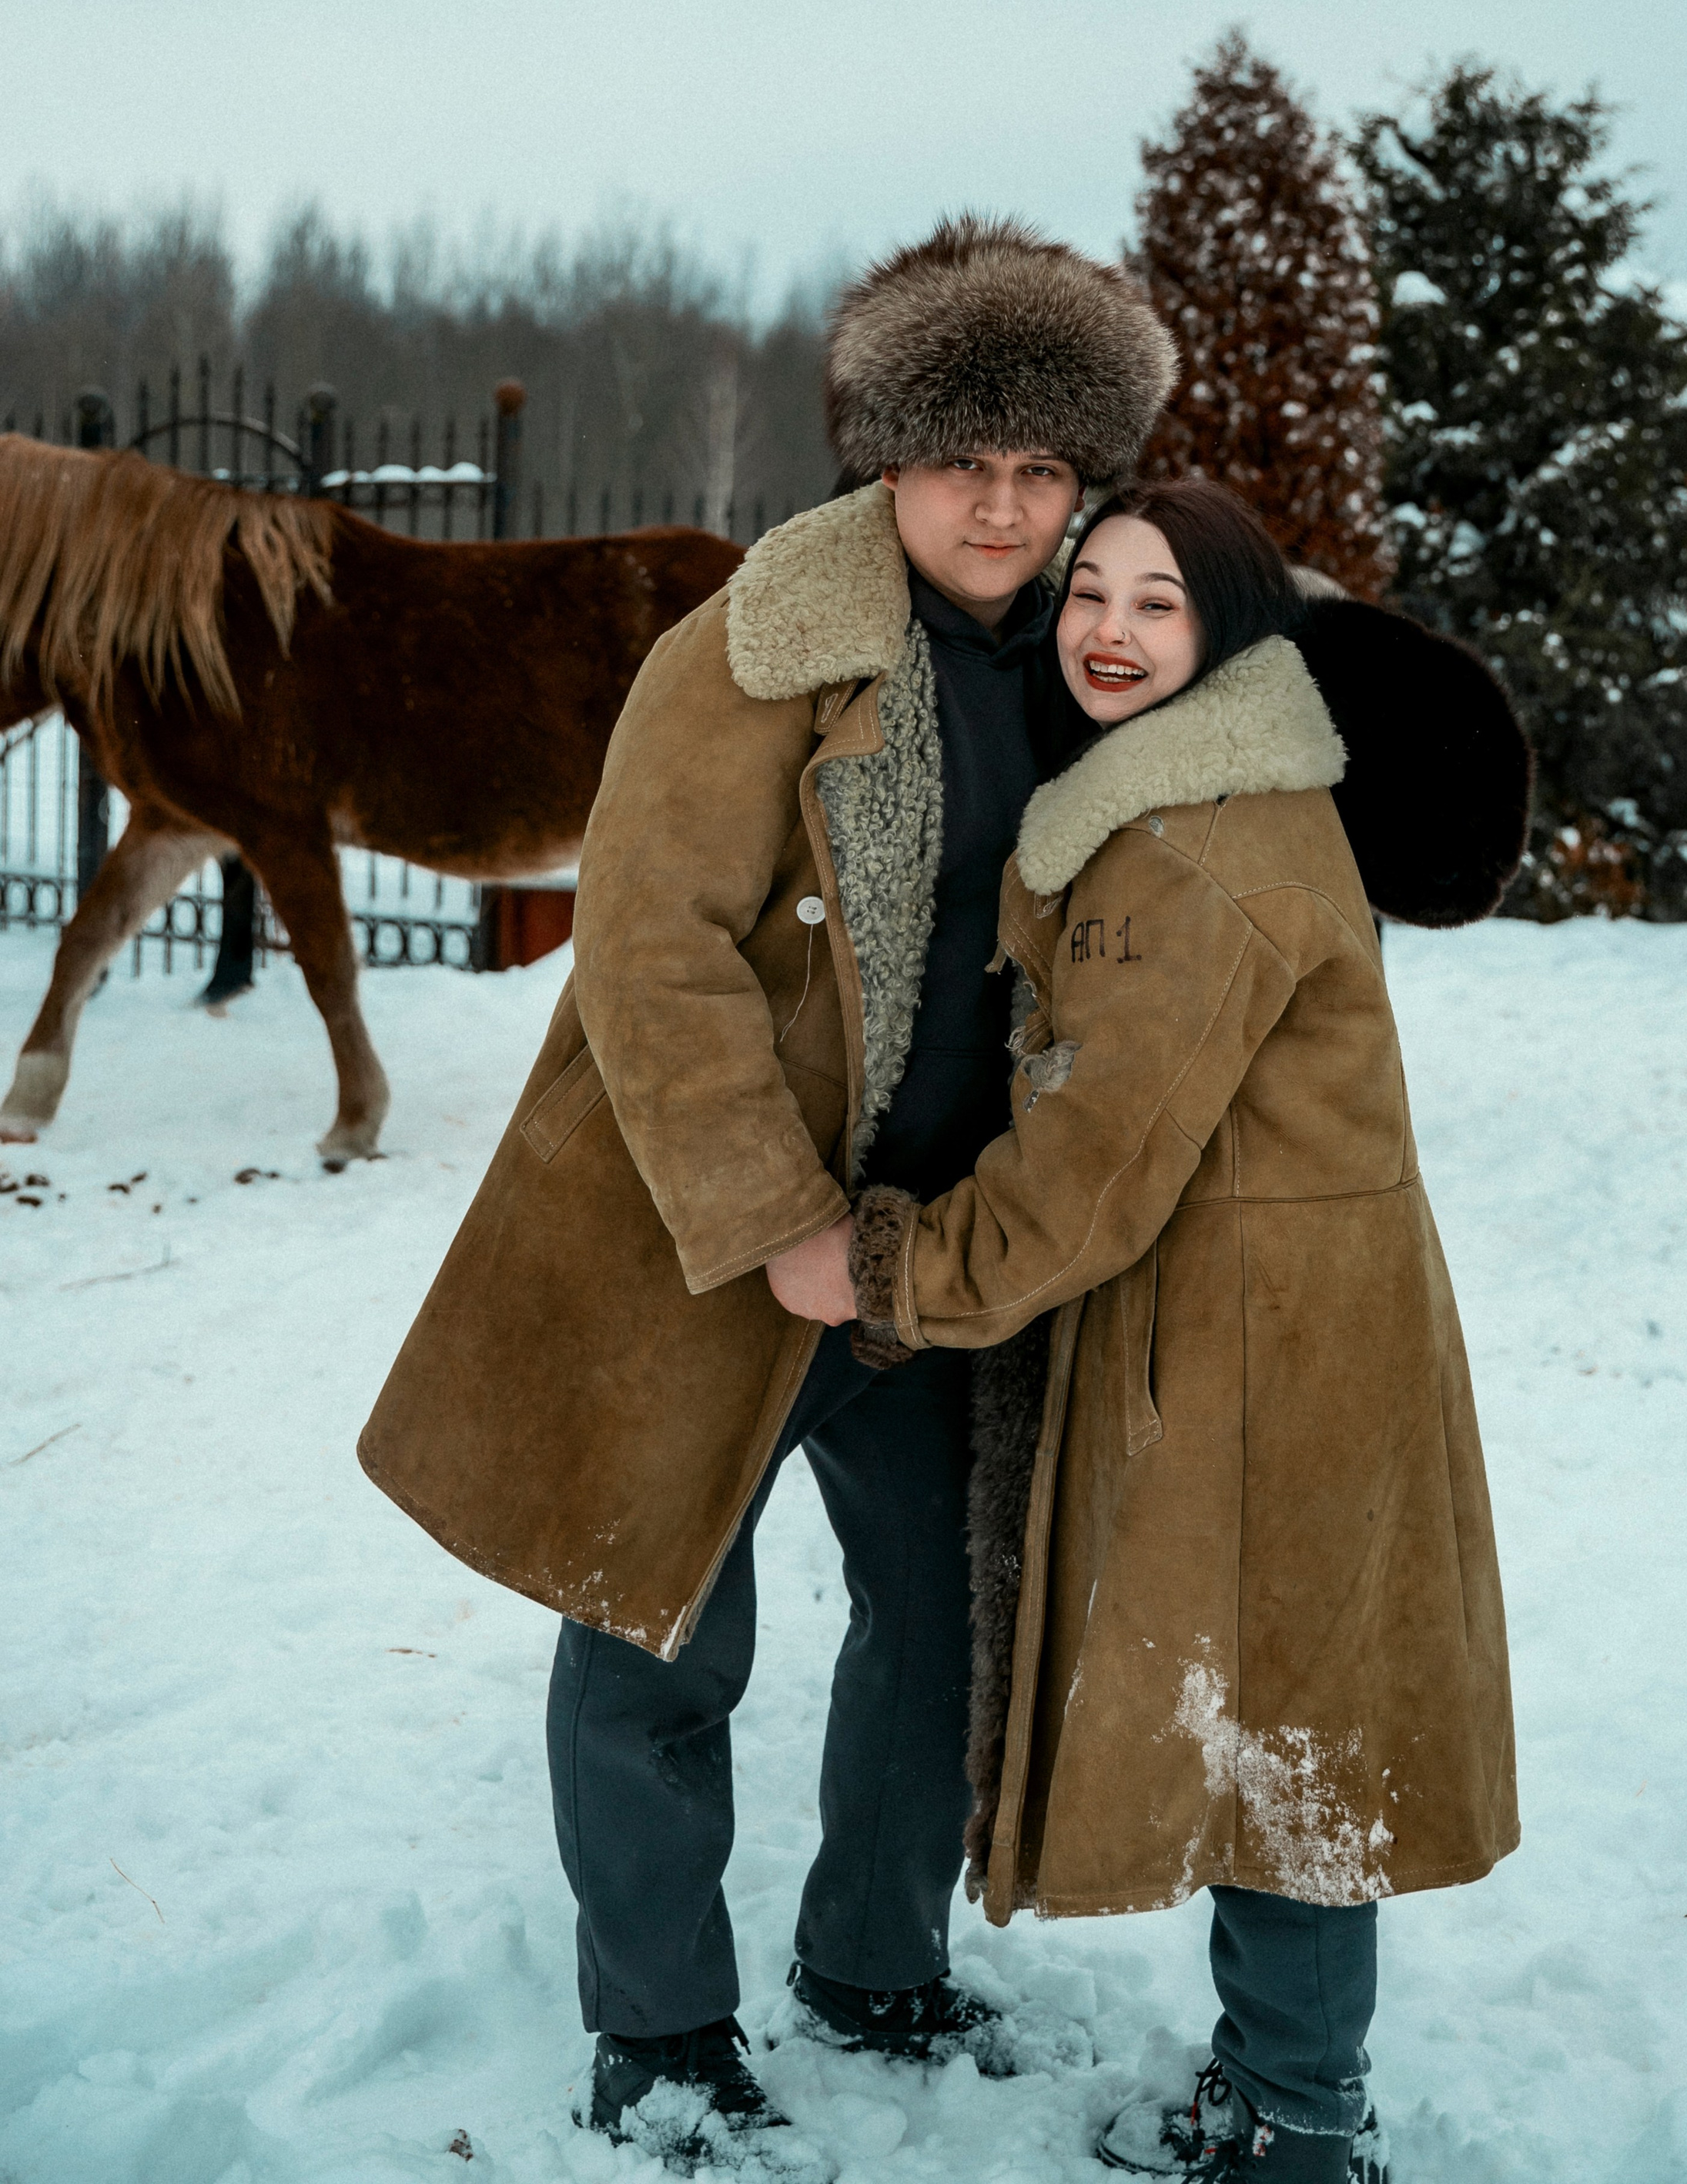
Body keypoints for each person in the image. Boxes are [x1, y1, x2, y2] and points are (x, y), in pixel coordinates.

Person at [356, 216, 1179, 2170]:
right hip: (719, 1237)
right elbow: (646, 949)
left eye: (1040, 465)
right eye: (960, 460)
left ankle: (872, 1963)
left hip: (944, 1245)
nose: (1000, 506)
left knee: (939, 1616)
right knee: (658, 1631)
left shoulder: (1091, 662)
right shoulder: (752, 646)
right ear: (886, 455)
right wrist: (774, 1220)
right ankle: (656, 2042)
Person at [777, 480, 1520, 2183]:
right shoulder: (1199, 791)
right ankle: (1289, 2089)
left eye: (1159, 602)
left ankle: (1297, 2123)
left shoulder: (1196, 846)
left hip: (1269, 1345)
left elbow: (1088, 1176)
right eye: (1090, 591)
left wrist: (884, 1269)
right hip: (1276, 1316)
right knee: (1286, 1695)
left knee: (1288, 1711)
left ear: (1231, 631)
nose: (1109, 629)